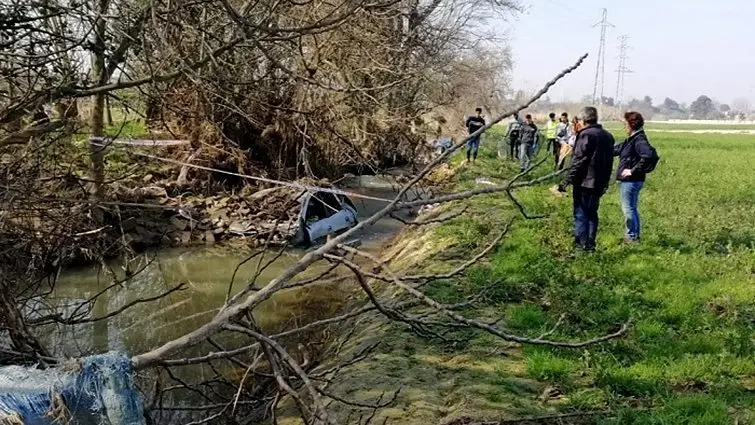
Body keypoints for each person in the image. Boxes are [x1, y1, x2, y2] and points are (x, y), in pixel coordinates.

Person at [557, 106, 615, 252]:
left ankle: (580, 246)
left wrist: (565, 181)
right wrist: (606, 183)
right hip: (600, 182)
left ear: (583, 120)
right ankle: (590, 245)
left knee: (581, 214)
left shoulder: (585, 136)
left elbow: (578, 162)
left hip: (584, 182)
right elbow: (609, 163)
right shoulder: (608, 136)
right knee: (592, 214)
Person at [614, 111, 655, 243]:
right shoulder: (632, 139)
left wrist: (632, 170)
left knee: (628, 209)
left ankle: (631, 237)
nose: (624, 126)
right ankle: (634, 235)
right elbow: (616, 149)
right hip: (632, 181)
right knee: (631, 208)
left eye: (625, 124)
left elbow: (649, 156)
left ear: (631, 124)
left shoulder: (639, 140)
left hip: (631, 181)